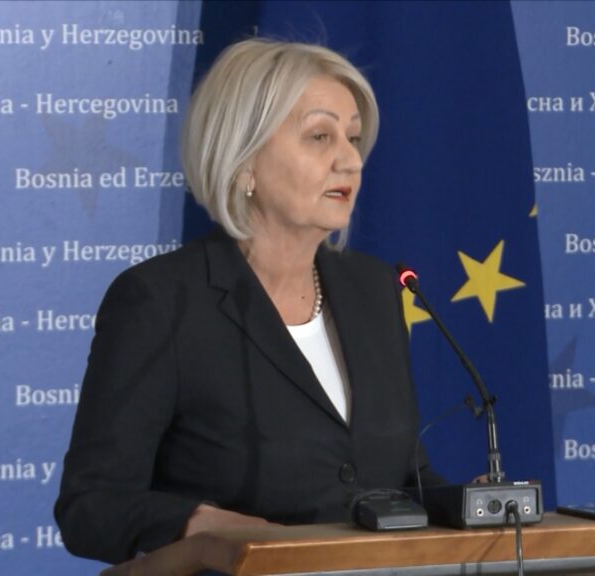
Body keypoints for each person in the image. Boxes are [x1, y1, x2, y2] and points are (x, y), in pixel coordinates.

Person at [53, 38, 441, 565]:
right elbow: (91, 507)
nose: (351, 160)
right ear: (244, 162)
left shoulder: (373, 289)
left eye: (353, 138)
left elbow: (401, 477)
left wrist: (479, 506)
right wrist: (203, 525)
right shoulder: (161, 301)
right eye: (320, 136)